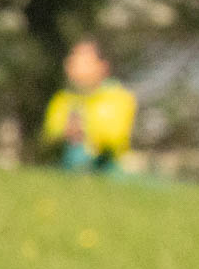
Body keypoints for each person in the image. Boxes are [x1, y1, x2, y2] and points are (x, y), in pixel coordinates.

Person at [42, 40, 137, 173]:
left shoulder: (118, 97)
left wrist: (84, 130)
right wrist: (64, 132)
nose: (74, 66)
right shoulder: (62, 99)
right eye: (73, 60)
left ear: (103, 66)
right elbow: (50, 134)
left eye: (84, 62)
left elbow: (116, 137)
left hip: (108, 167)